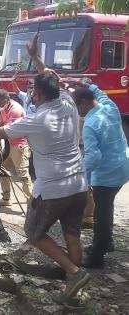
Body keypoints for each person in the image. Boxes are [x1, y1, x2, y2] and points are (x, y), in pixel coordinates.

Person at [0, 34, 91, 303]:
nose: (30, 94)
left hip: (53, 189)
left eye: (32, 91)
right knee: (72, 234)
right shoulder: (66, 102)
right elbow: (51, 76)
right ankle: (74, 286)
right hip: (79, 185)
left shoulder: (36, 119)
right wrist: (37, 58)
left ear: (38, 95)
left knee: (35, 233)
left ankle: (73, 272)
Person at [70, 80, 129, 269]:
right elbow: (100, 92)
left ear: (84, 102)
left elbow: (93, 157)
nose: (76, 111)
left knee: (101, 215)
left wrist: (82, 179)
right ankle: (107, 242)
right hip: (123, 166)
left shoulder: (90, 124)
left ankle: (97, 256)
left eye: (76, 106)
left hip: (106, 176)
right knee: (107, 207)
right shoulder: (109, 106)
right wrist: (83, 83)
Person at [0, 89, 32, 205]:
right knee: (3, 170)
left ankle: (31, 204)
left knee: (23, 175)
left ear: (7, 99)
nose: (0, 105)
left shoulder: (16, 110)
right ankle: (6, 198)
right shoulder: (2, 108)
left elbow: (8, 130)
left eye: (1, 103)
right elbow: (0, 124)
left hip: (19, 145)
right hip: (10, 145)